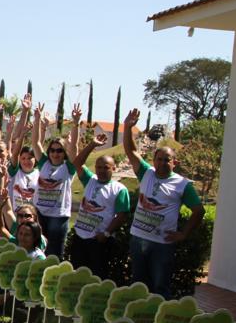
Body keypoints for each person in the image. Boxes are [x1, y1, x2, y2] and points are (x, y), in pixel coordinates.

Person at [123, 108, 204, 299]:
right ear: (154, 160)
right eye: (159, 159)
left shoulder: (182, 185)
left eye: (167, 160)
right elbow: (131, 150)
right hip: (138, 239)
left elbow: (198, 210)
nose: (162, 163)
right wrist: (127, 127)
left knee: (160, 286)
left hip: (162, 243)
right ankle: (137, 319)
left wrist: (183, 234)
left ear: (174, 163)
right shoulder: (146, 173)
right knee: (138, 284)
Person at [67, 132, 131, 280]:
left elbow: (122, 215)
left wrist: (106, 234)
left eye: (106, 168)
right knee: (77, 277)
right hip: (80, 237)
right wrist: (92, 144)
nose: (102, 171)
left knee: (97, 278)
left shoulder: (119, 189)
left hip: (98, 240)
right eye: (99, 167)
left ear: (113, 169)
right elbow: (77, 163)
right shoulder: (91, 180)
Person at [31, 102, 81, 257]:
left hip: (57, 217)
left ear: (64, 152)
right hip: (39, 213)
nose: (55, 153)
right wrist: (37, 119)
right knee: (37, 250)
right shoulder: (44, 163)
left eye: (59, 150)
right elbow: (35, 142)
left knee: (54, 254)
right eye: (52, 150)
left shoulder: (68, 168)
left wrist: (76, 123)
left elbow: (75, 149)